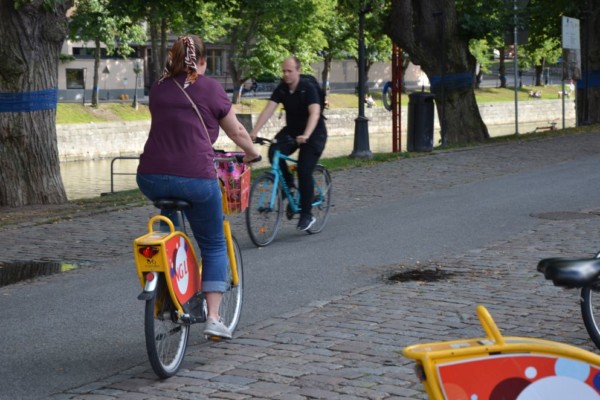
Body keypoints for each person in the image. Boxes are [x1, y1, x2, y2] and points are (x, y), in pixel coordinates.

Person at [136, 35, 260, 339]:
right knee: (214, 243)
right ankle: (214, 318)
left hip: (150, 176)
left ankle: (169, 289)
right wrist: (253, 152)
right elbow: (238, 130)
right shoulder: (210, 87)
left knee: (171, 232)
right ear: (201, 61)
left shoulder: (159, 88)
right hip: (194, 178)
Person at [250, 56, 327, 231]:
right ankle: (289, 186)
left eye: (289, 71)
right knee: (273, 151)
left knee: (304, 168)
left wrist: (306, 134)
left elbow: (315, 113)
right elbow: (268, 109)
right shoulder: (282, 89)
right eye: (283, 71)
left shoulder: (307, 88)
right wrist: (254, 132)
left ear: (298, 71)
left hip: (314, 133)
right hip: (292, 131)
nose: (286, 75)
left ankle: (307, 215)